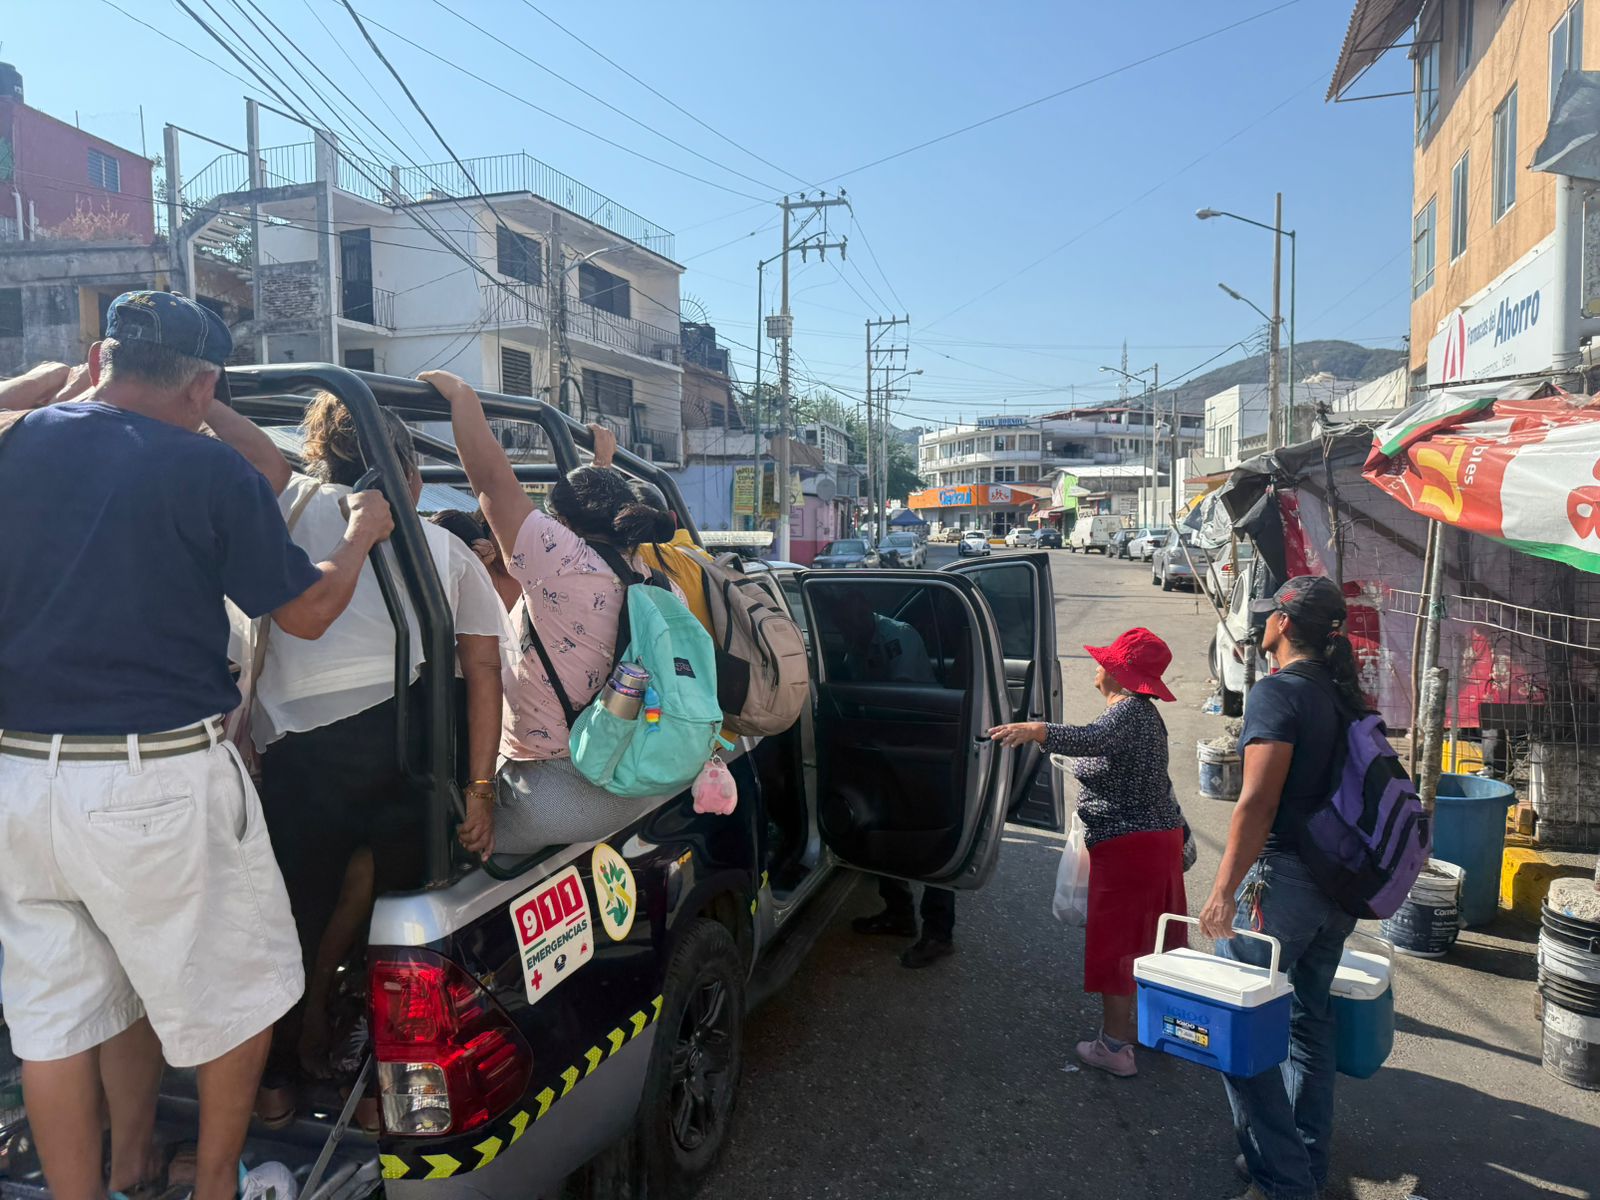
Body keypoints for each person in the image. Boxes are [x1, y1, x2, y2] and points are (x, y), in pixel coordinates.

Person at [0, 293, 392, 1200]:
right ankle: (217, 1185)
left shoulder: (17, 444)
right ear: (205, 386)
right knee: (241, 991)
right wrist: (361, 536)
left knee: (56, 1024)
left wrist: (42, 385)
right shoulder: (204, 468)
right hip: (154, 778)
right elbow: (308, 611)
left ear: (99, 360)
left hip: (20, 780)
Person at [244, 393, 509, 1121]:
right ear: (408, 474)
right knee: (390, 926)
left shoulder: (281, 518)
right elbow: (483, 672)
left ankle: (273, 1086)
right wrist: (479, 789)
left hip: (293, 756)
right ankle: (371, 1086)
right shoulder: (442, 548)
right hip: (403, 755)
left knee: (295, 919)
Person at [418, 369, 680, 854]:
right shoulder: (657, 583)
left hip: (554, 793)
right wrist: (601, 468)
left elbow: (491, 480)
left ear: (561, 527)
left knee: (434, 838)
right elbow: (593, 527)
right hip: (639, 776)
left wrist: (462, 395)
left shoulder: (560, 561)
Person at [1197, 576, 1363, 1200]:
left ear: (1285, 625)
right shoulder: (1342, 692)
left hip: (1282, 884)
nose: (1261, 621)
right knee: (1307, 1023)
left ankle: (1284, 1179)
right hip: (1336, 884)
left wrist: (1222, 889)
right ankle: (1306, 1164)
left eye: (1269, 613)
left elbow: (1257, 802)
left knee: (1234, 1026)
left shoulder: (1278, 692)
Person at [990, 627, 1187, 1078]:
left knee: (1121, 944)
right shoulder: (1140, 714)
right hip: (1151, 842)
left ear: (1119, 673)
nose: (1097, 667)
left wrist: (1038, 730)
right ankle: (1150, 1028)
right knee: (1147, 941)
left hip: (1131, 847)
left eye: (1104, 662)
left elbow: (1089, 739)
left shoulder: (1128, 712)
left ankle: (1114, 1047)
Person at [834, 601, 957, 968]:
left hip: (918, 741)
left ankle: (938, 933)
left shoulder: (896, 637)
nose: (844, 628)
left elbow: (901, 695)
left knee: (928, 833)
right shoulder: (856, 639)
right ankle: (898, 912)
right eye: (839, 622)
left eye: (847, 618)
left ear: (863, 611)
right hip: (883, 742)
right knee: (880, 825)